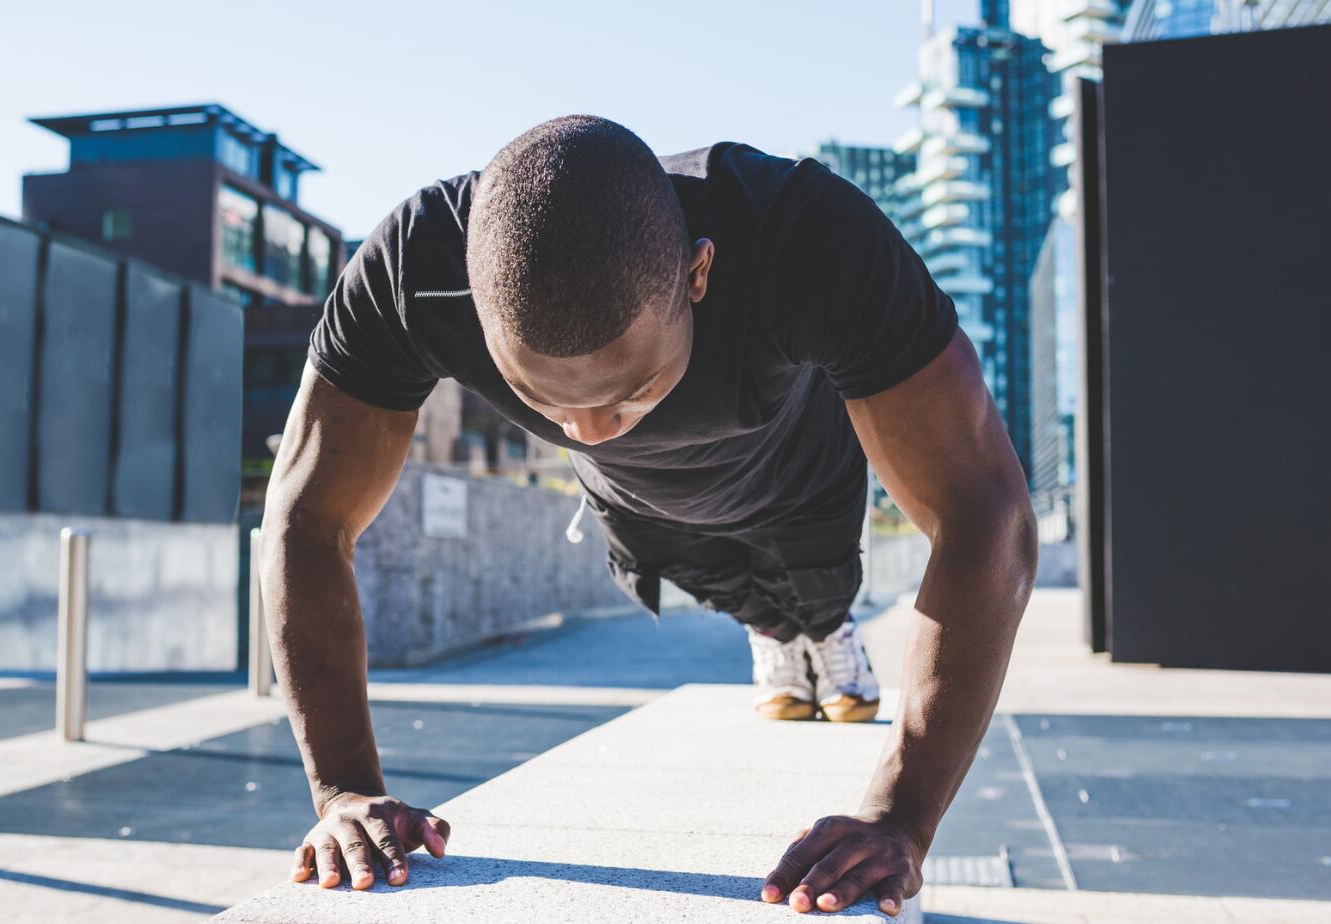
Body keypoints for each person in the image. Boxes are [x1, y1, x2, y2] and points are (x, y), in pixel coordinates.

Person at [260, 115, 1037, 917]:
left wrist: (902, 815)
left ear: (699, 274)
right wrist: (344, 789)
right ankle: (773, 633)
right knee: (722, 590)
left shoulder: (806, 236)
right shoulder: (413, 269)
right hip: (637, 501)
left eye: (628, 390)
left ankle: (821, 630)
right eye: (543, 397)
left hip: (799, 473)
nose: (589, 429)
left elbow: (986, 513)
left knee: (816, 593)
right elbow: (306, 519)